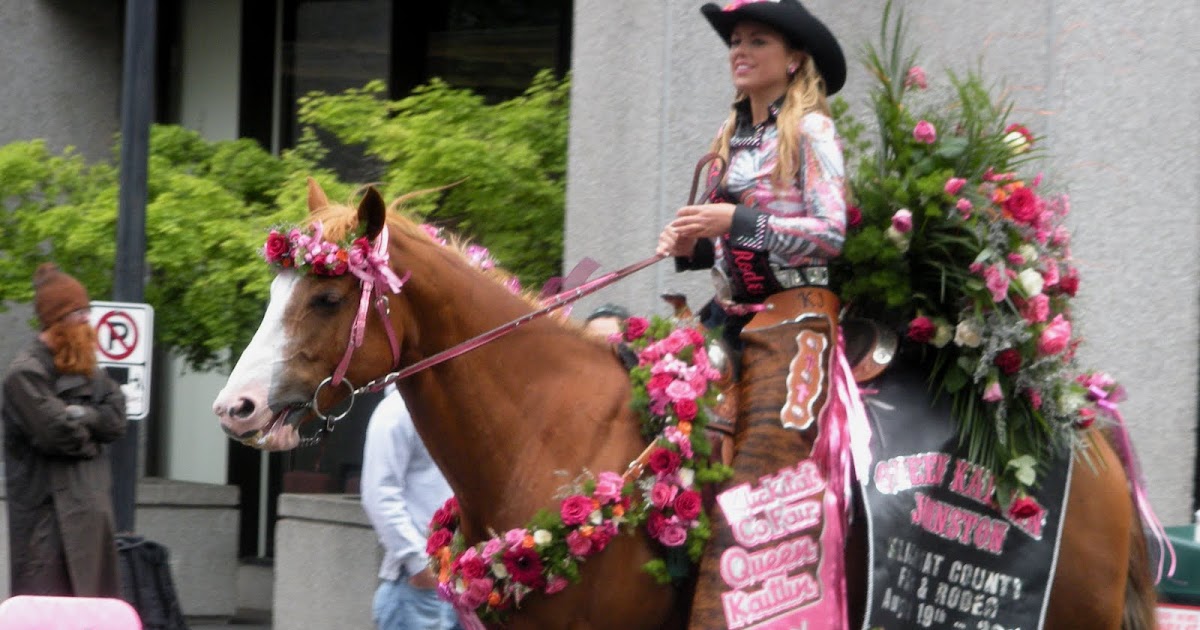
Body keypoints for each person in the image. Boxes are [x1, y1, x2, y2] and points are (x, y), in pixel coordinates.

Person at [656, 0, 846, 348]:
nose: (740, 51)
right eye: (735, 42)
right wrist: (689, 245)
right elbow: (724, 243)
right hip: (728, 319)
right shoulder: (727, 135)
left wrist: (738, 220)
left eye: (758, 41)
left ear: (794, 59)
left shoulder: (812, 130)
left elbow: (831, 234)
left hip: (794, 323)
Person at [2, 263, 127, 597]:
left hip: (92, 519)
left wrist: (82, 415)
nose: (87, 320)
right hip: (47, 525)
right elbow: (58, 434)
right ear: (56, 321)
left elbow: (116, 419)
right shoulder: (24, 373)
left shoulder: (88, 371)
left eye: (87, 310)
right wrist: (92, 435)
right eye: (77, 313)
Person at [361, 386, 461, 630]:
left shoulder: (453, 407)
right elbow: (378, 494)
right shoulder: (396, 411)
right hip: (417, 591)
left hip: (460, 582)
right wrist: (418, 563)